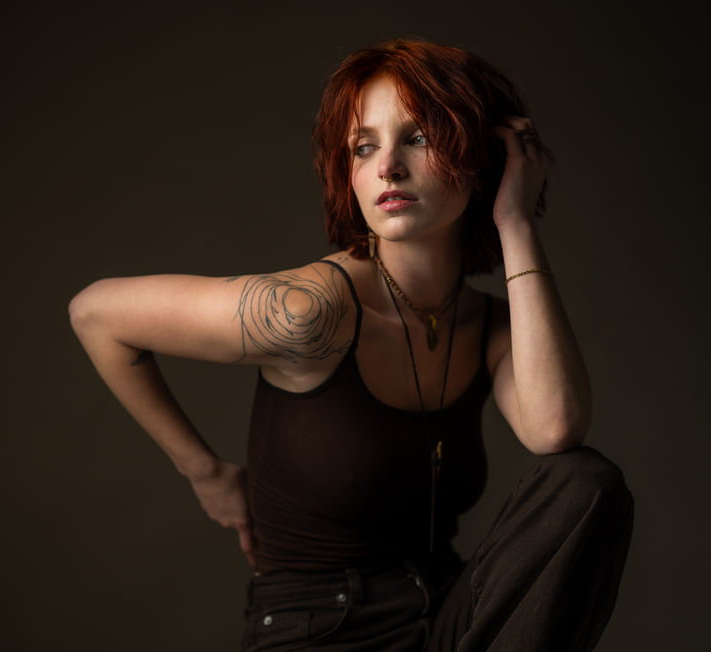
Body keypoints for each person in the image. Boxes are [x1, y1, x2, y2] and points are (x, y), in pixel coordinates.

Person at [69, 38, 633, 651]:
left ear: (480, 161)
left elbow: (556, 429)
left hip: (446, 614)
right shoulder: (310, 312)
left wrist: (515, 221)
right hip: (323, 631)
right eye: (364, 147)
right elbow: (96, 313)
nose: (388, 166)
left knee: (585, 485)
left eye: (418, 137)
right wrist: (203, 471)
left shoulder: (491, 328)